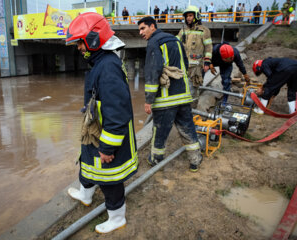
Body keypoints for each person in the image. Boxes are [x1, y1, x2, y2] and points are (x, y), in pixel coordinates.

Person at [65, 12, 138, 234]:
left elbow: (117, 114)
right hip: (95, 129)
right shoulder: (101, 62)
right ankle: (85, 195)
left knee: (109, 179)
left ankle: (117, 217)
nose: (78, 48)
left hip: (106, 135)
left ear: (93, 39)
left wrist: (108, 148)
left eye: (80, 42)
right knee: (86, 160)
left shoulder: (107, 67)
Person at [137, 16, 203, 172]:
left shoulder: (154, 42)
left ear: (152, 26)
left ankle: (155, 159)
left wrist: (148, 100)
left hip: (166, 100)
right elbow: (185, 65)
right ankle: (195, 159)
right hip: (183, 96)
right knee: (187, 128)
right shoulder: (175, 40)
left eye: (142, 28)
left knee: (160, 131)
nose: (140, 32)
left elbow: (153, 72)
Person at [177, 5, 212, 107]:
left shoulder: (204, 31)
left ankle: (192, 111)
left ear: (196, 16)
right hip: (183, 66)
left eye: (190, 15)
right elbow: (176, 42)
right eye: (187, 16)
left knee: (193, 91)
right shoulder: (183, 30)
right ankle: (184, 111)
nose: (188, 18)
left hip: (196, 68)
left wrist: (207, 62)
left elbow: (208, 47)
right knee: (182, 90)